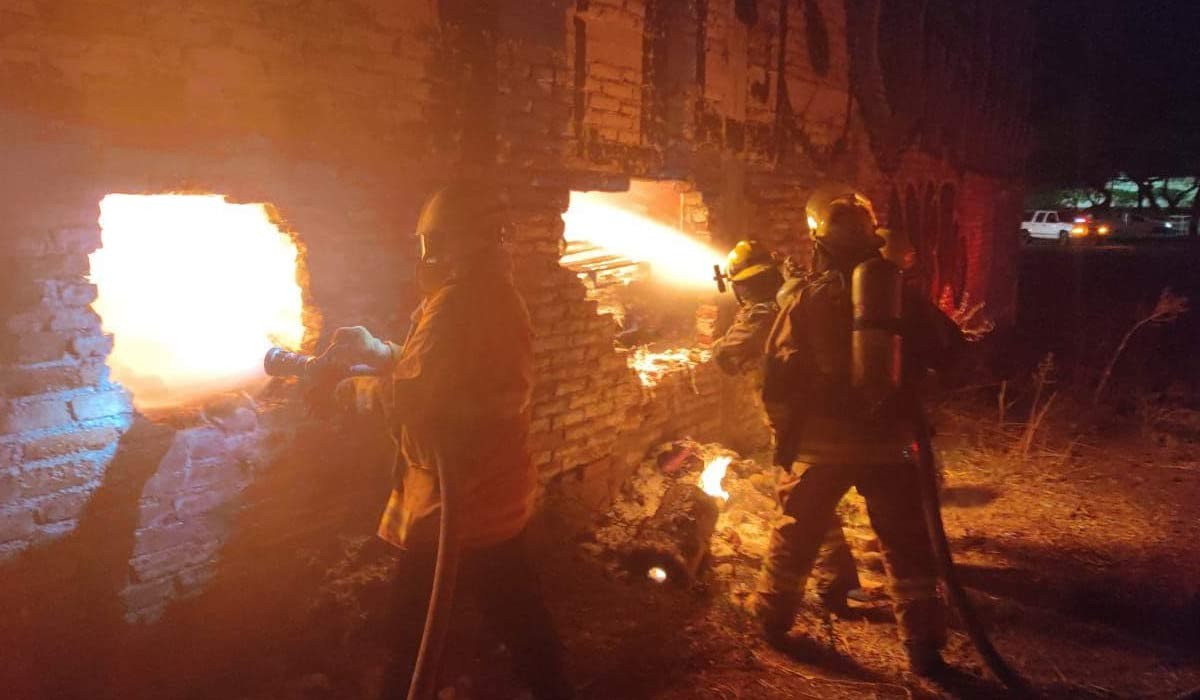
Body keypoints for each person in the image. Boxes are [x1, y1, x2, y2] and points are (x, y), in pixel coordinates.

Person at [321, 182, 573, 700]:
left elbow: (418, 397)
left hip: (460, 504)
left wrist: (360, 392)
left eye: (431, 242)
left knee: (414, 634)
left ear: (445, 241)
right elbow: (442, 373)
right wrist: (379, 349)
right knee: (518, 617)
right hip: (489, 492)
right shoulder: (486, 295)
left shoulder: (460, 302)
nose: (426, 254)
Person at [752, 184, 963, 676]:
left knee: (795, 537)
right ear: (873, 239)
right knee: (907, 543)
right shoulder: (902, 298)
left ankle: (770, 621)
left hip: (820, 448)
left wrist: (784, 437)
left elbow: (776, 372)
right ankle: (923, 647)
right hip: (891, 444)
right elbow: (952, 352)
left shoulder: (804, 298)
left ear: (818, 241)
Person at [711, 240, 868, 615]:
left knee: (796, 504)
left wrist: (718, 340)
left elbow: (727, 355)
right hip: (819, 416)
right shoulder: (800, 301)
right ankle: (838, 582)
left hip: (793, 423)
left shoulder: (759, 314)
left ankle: (776, 605)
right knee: (814, 499)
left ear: (742, 285)